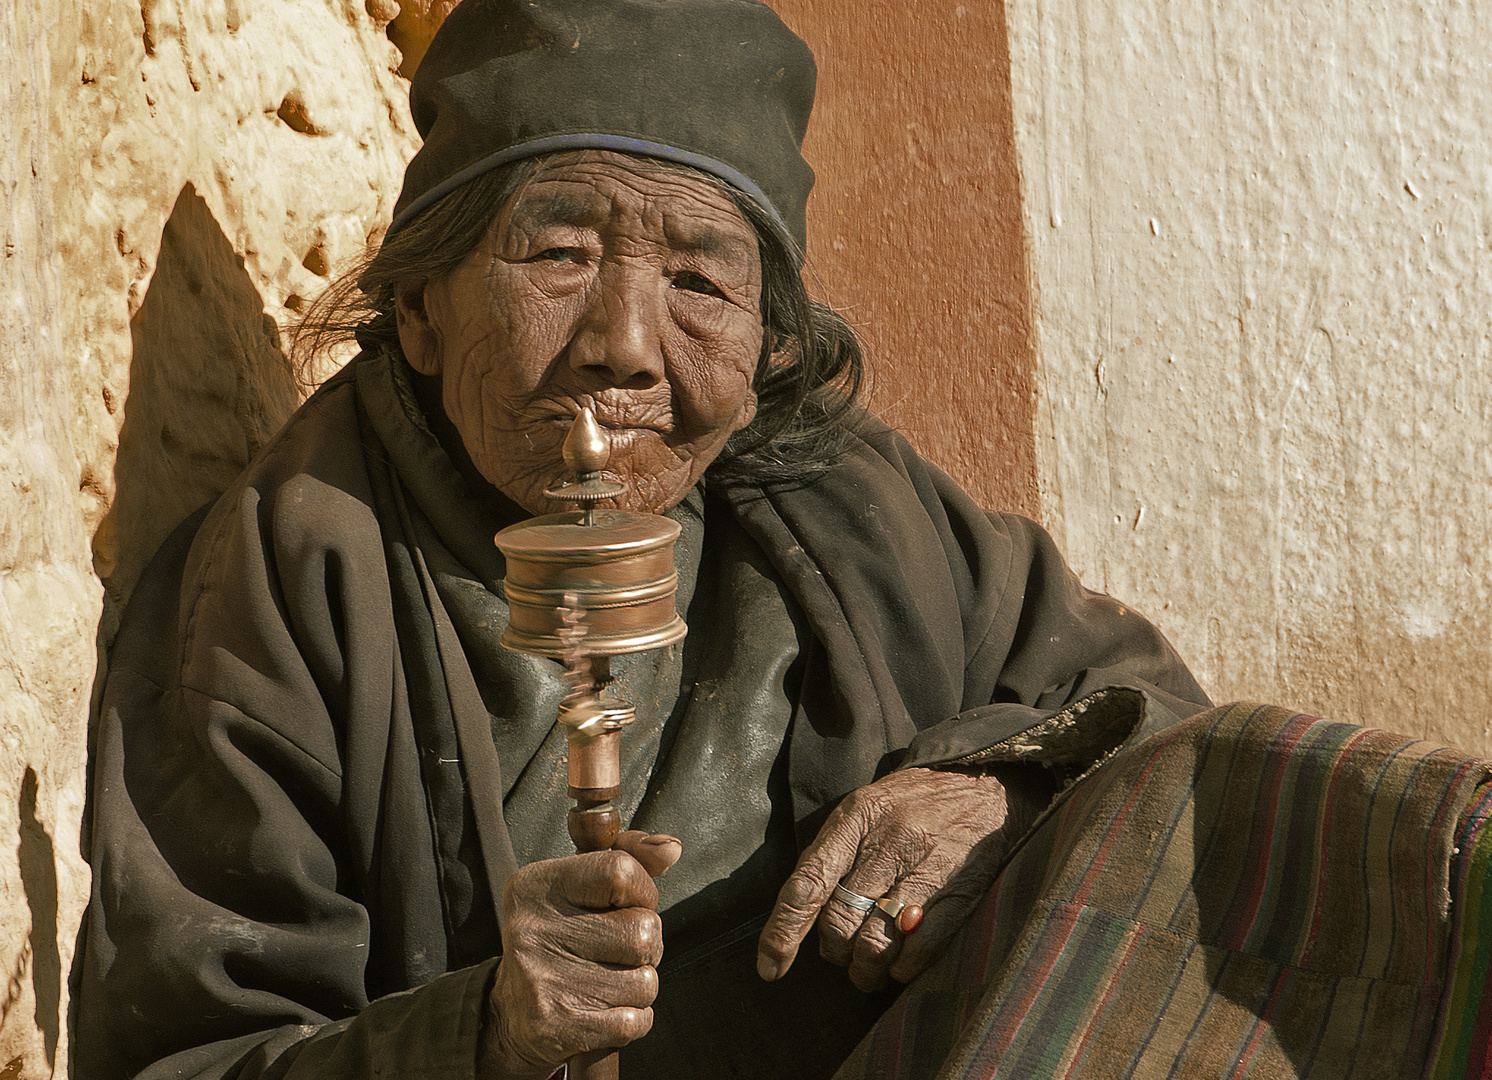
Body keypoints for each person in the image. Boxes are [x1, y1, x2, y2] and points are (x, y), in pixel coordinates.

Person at [73, 1, 1492, 1078]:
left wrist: (994, 794)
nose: (625, 346)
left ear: (762, 352)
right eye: (558, 254)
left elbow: (1148, 720)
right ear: (428, 308)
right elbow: (180, 1058)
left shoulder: (837, 499)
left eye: (700, 277)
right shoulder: (290, 574)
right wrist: (484, 1030)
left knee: (1314, 810)